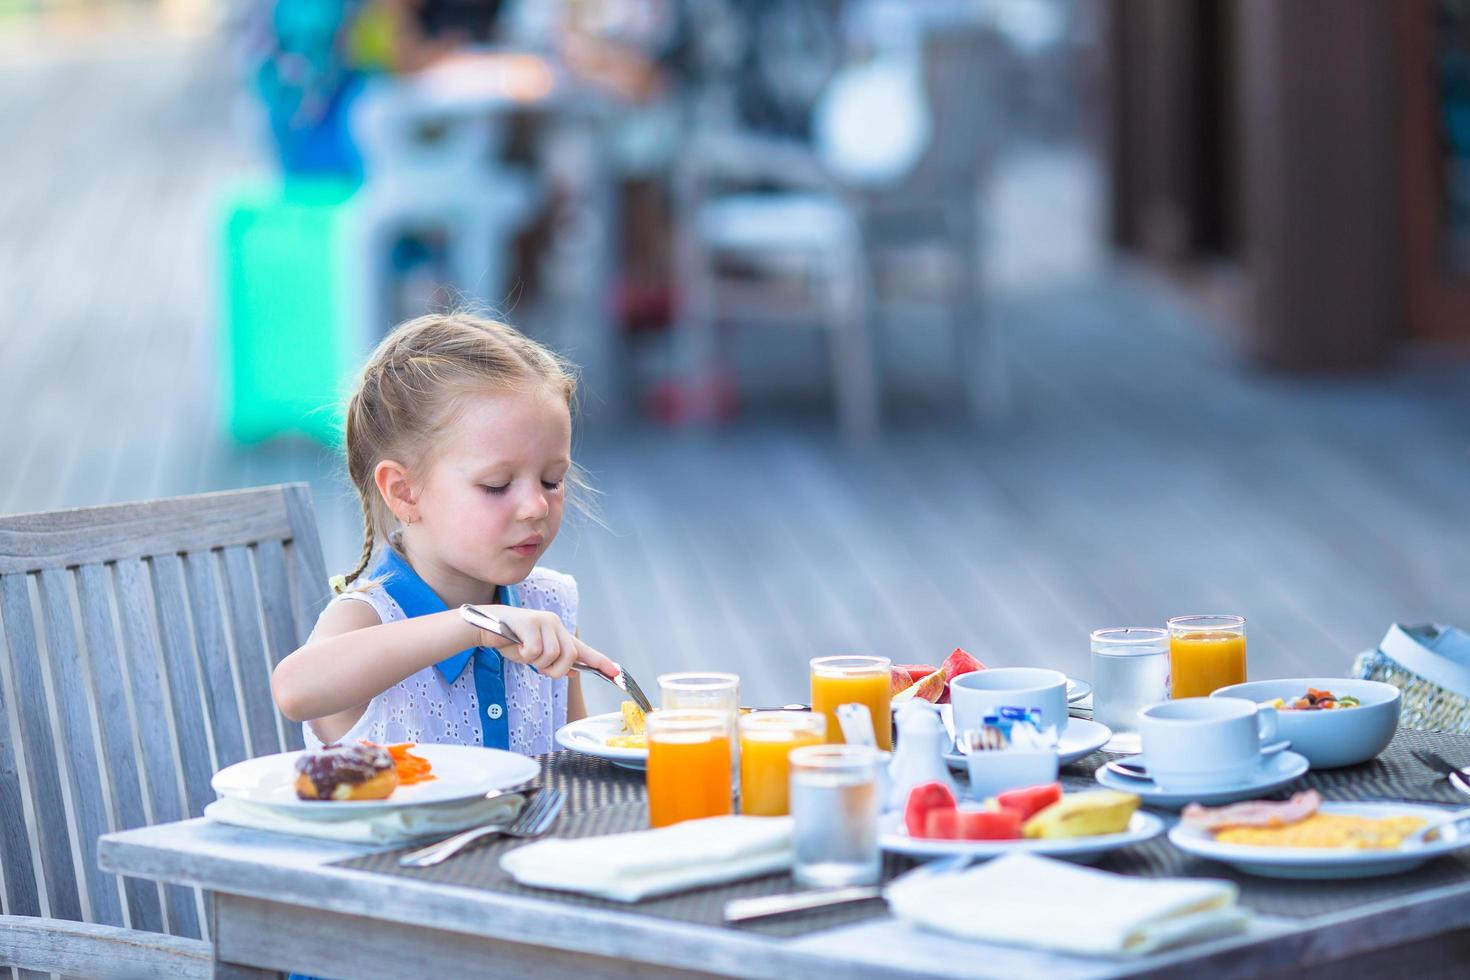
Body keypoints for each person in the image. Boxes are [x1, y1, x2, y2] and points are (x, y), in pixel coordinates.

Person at [271, 312, 618, 754]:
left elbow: (575, 774)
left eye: (552, 480)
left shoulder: (547, 604)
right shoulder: (371, 615)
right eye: (496, 485)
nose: (536, 506)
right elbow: (294, 689)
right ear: (405, 493)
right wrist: (473, 626)